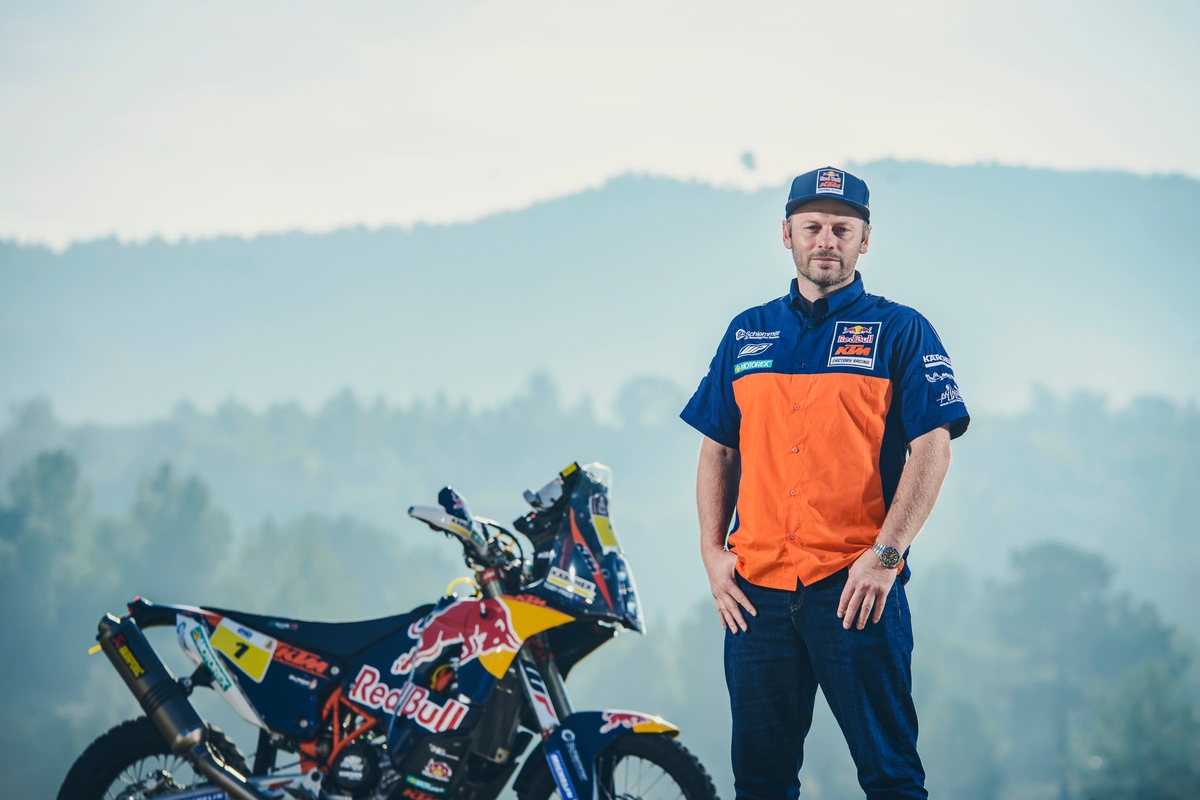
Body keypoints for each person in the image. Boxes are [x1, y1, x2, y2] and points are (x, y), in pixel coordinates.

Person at [679, 166, 969, 800]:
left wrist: (887, 557)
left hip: (856, 589)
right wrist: (711, 551)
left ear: (866, 239)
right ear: (787, 234)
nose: (826, 240)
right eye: (812, 227)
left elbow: (933, 448)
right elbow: (718, 448)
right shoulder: (747, 332)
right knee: (760, 782)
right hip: (754, 596)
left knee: (891, 777)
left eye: (842, 228)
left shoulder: (901, 331)